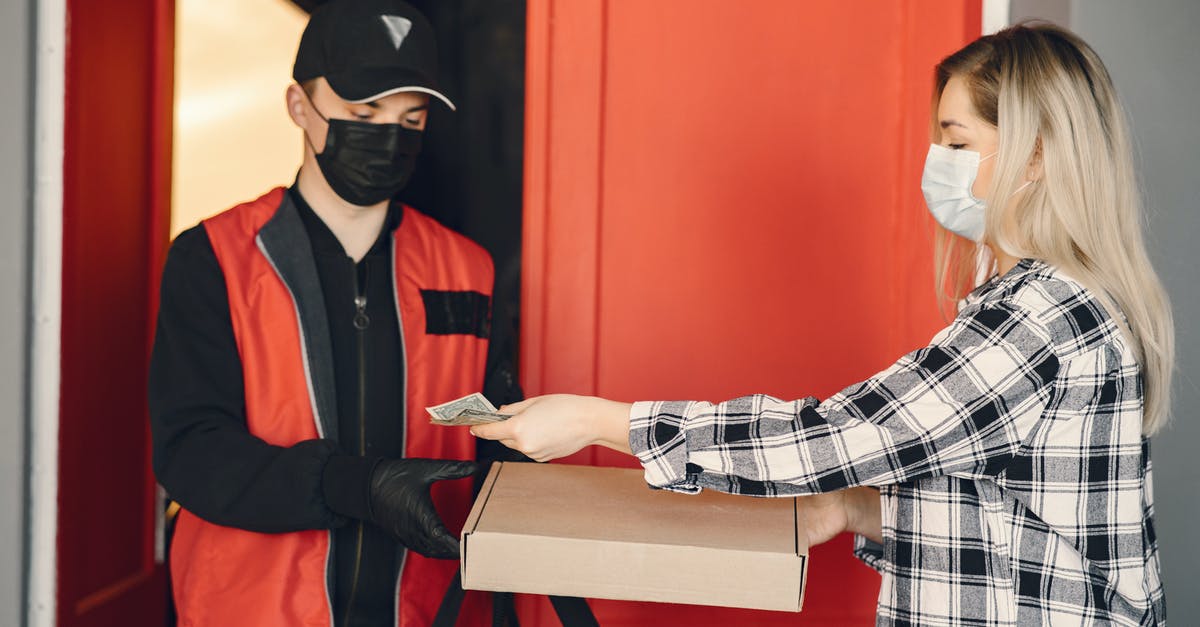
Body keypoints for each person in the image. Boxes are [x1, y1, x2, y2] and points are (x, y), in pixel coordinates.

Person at [473, 23, 1173, 626]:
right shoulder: (1048, 301)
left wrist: (601, 420)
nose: (940, 164)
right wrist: (853, 508)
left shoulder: (1036, 320)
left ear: (1037, 154)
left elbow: (836, 435)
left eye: (958, 144)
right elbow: (1013, 527)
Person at [149, 1, 518, 625]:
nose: (388, 134)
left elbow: (495, 445)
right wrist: (355, 486)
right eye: (362, 112)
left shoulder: (468, 269)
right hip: (250, 607)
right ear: (300, 106)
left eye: (411, 117)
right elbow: (191, 452)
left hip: (421, 608)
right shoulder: (212, 257)